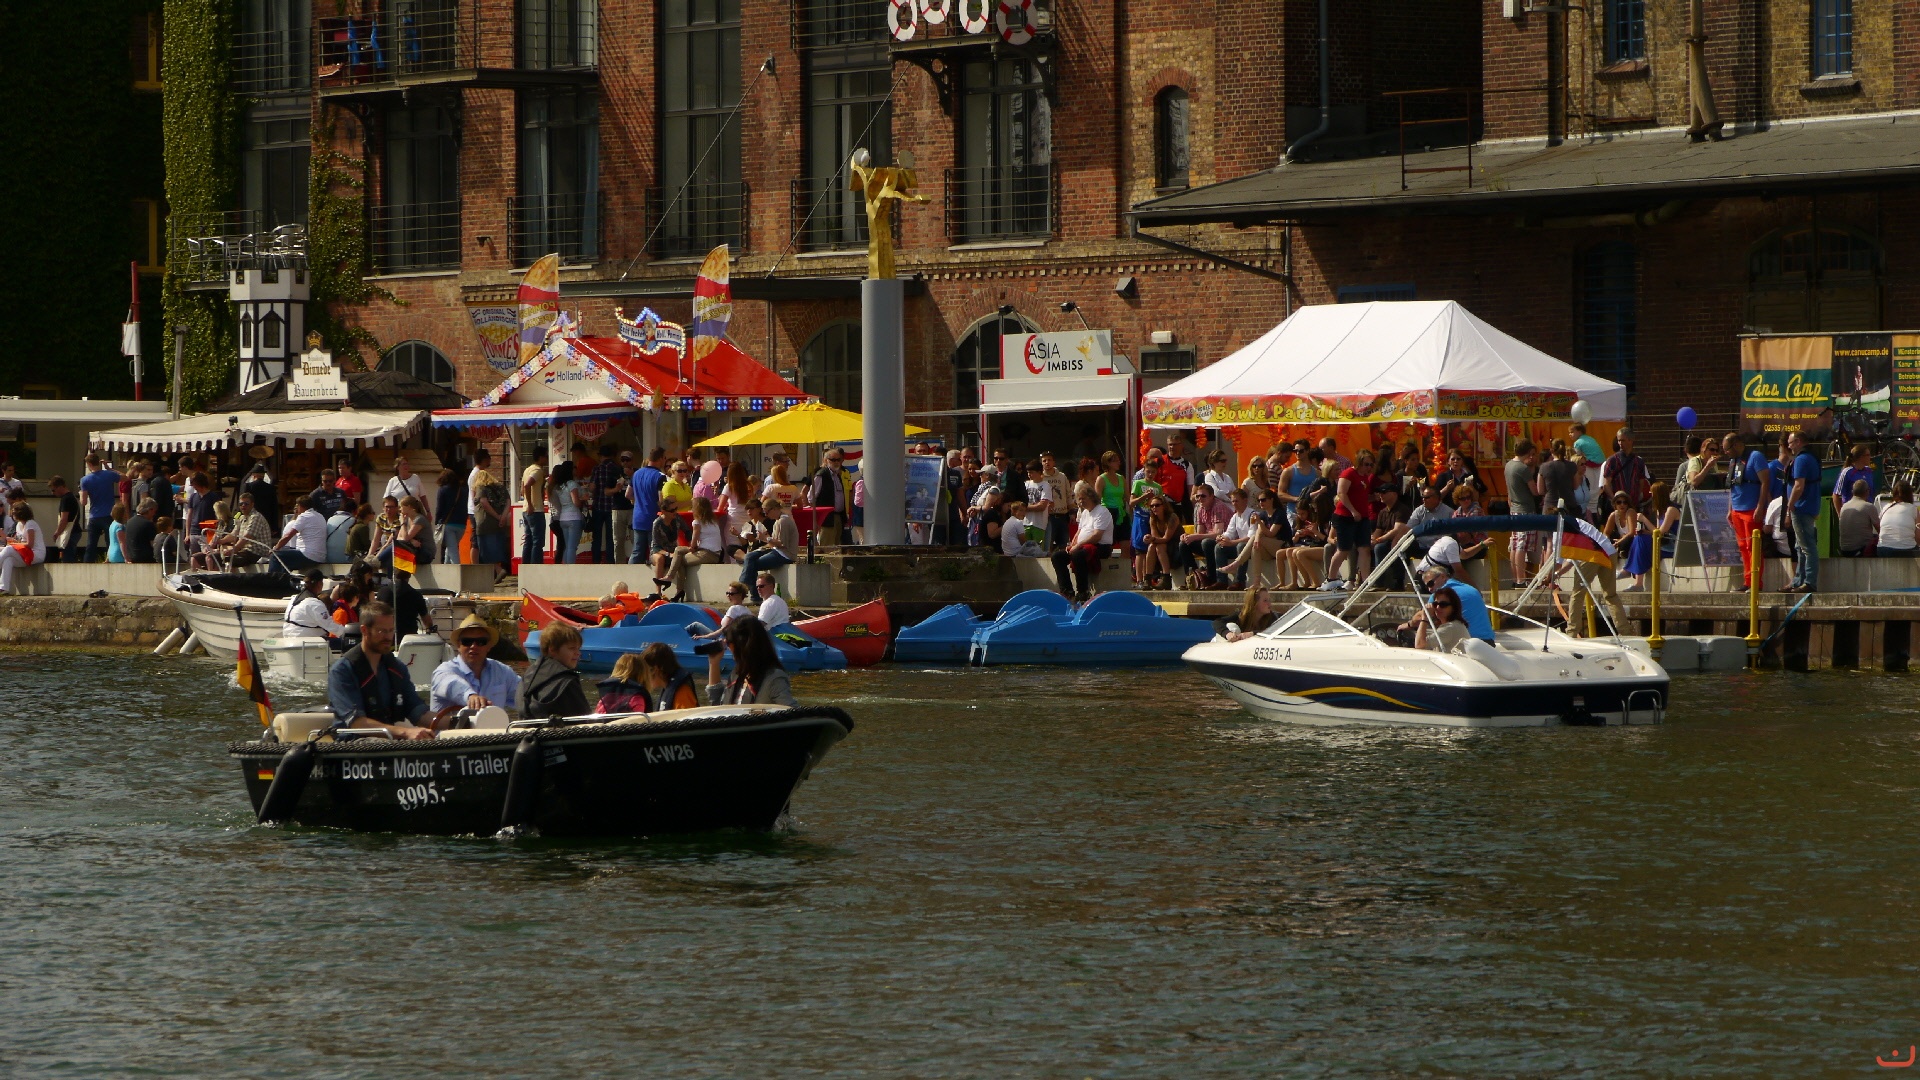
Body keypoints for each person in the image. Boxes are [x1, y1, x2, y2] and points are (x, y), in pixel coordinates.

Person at [326, 601, 433, 739]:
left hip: (388, 742)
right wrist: (405, 732)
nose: (388, 637)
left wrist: (455, 723)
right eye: (382, 631)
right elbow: (357, 723)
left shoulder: (397, 668)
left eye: (391, 630)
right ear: (364, 630)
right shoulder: (341, 671)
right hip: (352, 744)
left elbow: (417, 710)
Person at [430, 613, 523, 714]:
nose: (473, 646)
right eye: (467, 641)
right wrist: (470, 696)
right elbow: (451, 684)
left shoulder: (503, 672)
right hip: (452, 725)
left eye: (481, 642)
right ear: (458, 645)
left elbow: (523, 695)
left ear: (489, 646)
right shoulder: (444, 671)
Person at [1050, 483, 1114, 602]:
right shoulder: (1084, 513)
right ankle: (1067, 591)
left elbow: (1097, 536)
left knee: (1077, 555)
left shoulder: (1102, 512)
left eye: (1083, 498)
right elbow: (1079, 532)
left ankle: (1083, 591)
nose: (1080, 502)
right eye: (1079, 499)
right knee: (1057, 557)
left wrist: (1078, 546)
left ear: (1091, 497)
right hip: (1082, 546)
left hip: (1100, 547)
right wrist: (1072, 545)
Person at [1325, 448, 1378, 590]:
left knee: (1364, 548)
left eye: (1371, 465)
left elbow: (1361, 497)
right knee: (1344, 549)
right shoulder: (1349, 473)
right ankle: (1330, 578)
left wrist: (1373, 498)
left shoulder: (1365, 478)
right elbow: (1341, 493)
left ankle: (1365, 581)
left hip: (1363, 517)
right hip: (1345, 516)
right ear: (1359, 462)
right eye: (1366, 464)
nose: (1368, 467)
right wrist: (1353, 511)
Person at [1725, 431, 1770, 590]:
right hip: (1737, 509)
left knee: (1753, 546)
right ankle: (1747, 581)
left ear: (1737, 444)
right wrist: (1730, 508)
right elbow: (1732, 485)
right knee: (1743, 547)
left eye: (1728, 449)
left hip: (1751, 509)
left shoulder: (1755, 457)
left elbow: (1765, 482)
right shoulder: (1734, 460)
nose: (1726, 453)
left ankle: (1756, 582)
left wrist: (1760, 506)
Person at [719, 615, 797, 706]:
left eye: (729, 643)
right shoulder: (737, 674)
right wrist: (713, 663)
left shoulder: (774, 679)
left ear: (742, 645)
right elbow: (718, 708)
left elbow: (791, 711)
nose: (728, 648)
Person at [520, 620, 591, 719]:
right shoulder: (567, 681)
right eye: (572, 648)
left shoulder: (528, 676)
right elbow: (585, 718)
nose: (578, 653)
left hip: (526, 727)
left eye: (578, 648)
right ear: (552, 649)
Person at [1417, 563, 1494, 643]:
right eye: (1427, 587)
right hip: (1488, 641)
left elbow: (1422, 615)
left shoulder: (1440, 595)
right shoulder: (1471, 589)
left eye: (1430, 584)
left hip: (1467, 643)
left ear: (1442, 577)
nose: (1429, 589)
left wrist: (1410, 624)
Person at [666, 496, 726, 600]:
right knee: (678, 550)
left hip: (706, 554)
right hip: (716, 554)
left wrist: (692, 548)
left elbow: (693, 544)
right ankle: (675, 586)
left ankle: (675, 584)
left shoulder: (697, 522)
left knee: (679, 559)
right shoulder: (713, 521)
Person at [1785, 430, 1823, 593]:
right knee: (1800, 546)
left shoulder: (1801, 459)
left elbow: (1799, 486)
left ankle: (1809, 582)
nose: (1789, 447)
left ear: (1798, 442)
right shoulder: (1811, 457)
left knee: (1807, 546)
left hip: (1801, 507)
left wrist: (1790, 505)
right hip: (1809, 506)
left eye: (1790, 443)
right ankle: (1798, 581)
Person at [1503, 440, 1542, 586]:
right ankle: (1521, 579)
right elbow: (1535, 491)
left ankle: (1515, 579)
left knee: (1514, 545)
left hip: (1514, 509)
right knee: (1521, 546)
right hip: (1526, 510)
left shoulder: (1508, 465)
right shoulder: (1523, 468)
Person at [1177, 483, 1230, 588]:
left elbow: (1218, 533)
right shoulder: (1199, 508)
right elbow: (1200, 533)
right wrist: (1188, 536)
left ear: (1211, 496)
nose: (1200, 499)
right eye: (1198, 496)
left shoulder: (1218, 506)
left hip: (1224, 541)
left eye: (1203, 496)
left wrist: (1195, 536)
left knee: (1207, 543)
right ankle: (1193, 578)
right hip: (1208, 541)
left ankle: (1211, 579)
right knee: (1183, 544)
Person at [739, 497, 798, 585]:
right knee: (749, 556)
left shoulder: (783, 521)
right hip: (777, 551)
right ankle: (744, 586)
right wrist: (764, 541)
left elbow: (781, 543)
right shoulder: (778, 521)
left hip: (785, 554)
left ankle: (742, 586)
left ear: (774, 509)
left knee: (752, 565)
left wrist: (766, 538)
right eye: (764, 513)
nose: (766, 515)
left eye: (767, 512)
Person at [1396, 586, 1470, 653]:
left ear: (1453, 607)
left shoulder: (1450, 628)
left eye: (1443, 605)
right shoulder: (1456, 624)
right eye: (1435, 604)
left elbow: (1419, 645)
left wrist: (1425, 619)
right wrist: (1409, 625)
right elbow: (1418, 617)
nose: (1438, 607)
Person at [470, 462, 512, 580]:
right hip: (499, 524)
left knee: (485, 550)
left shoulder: (481, 487)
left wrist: (496, 516)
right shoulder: (501, 487)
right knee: (496, 548)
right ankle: (495, 573)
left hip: (485, 523)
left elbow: (483, 502)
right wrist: (503, 517)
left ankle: (497, 571)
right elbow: (508, 502)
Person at [1607, 492, 1656, 590]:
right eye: (1619, 502)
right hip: (1627, 541)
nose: (1622, 505)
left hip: (1633, 541)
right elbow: (1605, 533)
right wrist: (1611, 541)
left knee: (1636, 540)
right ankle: (1632, 578)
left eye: (1625, 502)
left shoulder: (1630, 512)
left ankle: (1629, 572)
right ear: (1615, 504)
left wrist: (1618, 542)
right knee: (1606, 542)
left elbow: (1631, 533)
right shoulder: (1614, 515)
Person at [79, 455, 122, 563]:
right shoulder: (109, 474)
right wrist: (109, 469)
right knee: (110, 542)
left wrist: (80, 493)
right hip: (109, 514)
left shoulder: (85, 480)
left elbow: (83, 502)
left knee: (91, 544)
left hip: (94, 515)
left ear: (89, 464)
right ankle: (111, 562)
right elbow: (125, 477)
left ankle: (87, 565)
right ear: (99, 462)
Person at [268, 495, 328, 572]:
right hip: (320, 557)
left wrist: (275, 548)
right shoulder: (320, 516)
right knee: (285, 563)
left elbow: (288, 535)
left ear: (300, 506)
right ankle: (284, 579)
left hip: (307, 555)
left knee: (275, 556)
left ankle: (270, 578)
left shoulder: (304, 516)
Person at [213, 492, 273, 567]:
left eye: (246, 503)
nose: (243, 506)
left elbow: (246, 537)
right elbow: (234, 534)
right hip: (245, 551)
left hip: (257, 553)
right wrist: (220, 541)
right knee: (212, 557)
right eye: (241, 504)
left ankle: (228, 573)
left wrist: (234, 549)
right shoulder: (242, 518)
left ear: (252, 504)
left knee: (227, 559)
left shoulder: (256, 517)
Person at [1211, 489, 1255, 590]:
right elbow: (1229, 533)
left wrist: (1231, 542)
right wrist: (1222, 538)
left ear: (1245, 500)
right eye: (1233, 501)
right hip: (1239, 545)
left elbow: (1251, 537)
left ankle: (1240, 581)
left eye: (1237, 501)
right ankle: (1221, 581)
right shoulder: (1235, 516)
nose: (1234, 504)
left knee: (1241, 546)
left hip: (1251, 547)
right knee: (1219, 547)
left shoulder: (1253, 515)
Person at [646, 493, 689, 597]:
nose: (675, 512)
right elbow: (656, 547)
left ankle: (679, 591)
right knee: (660, 558)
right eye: (672, 510)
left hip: (673, 551)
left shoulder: (677, 518)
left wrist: (692, 543)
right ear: (664, 511)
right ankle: (658, 591)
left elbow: (687, 531)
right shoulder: (657, 523)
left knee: (680, 558)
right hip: (658, 552)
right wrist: (668, 554)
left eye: (676, 509)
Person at [1601, 430, 1652, 514]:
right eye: (1619, 440)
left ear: (1631, 440)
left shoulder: (1638, 461)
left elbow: (1641, 483)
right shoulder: (1612, 460)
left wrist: (1635, 499)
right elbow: (1606, 484)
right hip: (1617, 506)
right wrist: (1615, 500)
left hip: (1633, 505)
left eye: (1623, 440)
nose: (1620, 443)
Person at [281, 568, 341, 641]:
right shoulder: (314, 604)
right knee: (345, 643)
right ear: (319, 584)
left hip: (290, 638)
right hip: (306, 641)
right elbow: (331, 626)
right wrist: (347, 633)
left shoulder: (294, 599)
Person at [808, 449, 851, 547]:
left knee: (837, 546)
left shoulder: (837, 475)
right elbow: (811, 497)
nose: (836, 462)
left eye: (838, 460)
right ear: (826, 460)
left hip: (839, 516)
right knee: (827, 546)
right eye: (833, 460)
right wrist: (817, 517)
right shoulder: (822, 475)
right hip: (826, 518)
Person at [0, 501, 45, 594]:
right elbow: (19, 542)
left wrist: (14, 545)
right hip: (25, 553)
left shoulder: (30, 524)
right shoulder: (19, 525)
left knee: (8, 549)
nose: (12, 514)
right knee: (8, 560)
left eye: (13, 512)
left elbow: (30, 544)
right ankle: (3, 587)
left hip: (36, 553)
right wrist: (6, 538)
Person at [547, 459, 585, 563]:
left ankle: (565, 568)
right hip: (573, 517)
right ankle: (570, 569)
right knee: (572, 547)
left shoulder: (560, 486)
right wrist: (583, 499)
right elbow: (576, 502)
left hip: (563, 518)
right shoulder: (572, 484)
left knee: (567, 547)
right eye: (574, 468)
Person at [1138, 495, 1180, 590]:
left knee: (1159, 546)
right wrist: (1148, 538)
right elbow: (1155, 538)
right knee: (1152, 546)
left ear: (1164, 506)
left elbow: (1166, 538)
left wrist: (1152, 539)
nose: (1154, 508)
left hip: (1177, 546)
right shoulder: (1153, 518)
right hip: (1162, 546)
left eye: (1157, 505)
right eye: (1151, 506)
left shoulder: (1172, 517)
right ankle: (1147, 579)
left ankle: (1166, 578)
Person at [521, 449, 550, 567]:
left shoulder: (527, 469)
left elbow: (522, 489)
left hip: (526, 509)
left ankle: (525, 567)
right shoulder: (537, 470)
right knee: (537, 541)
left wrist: (527, 502)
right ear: (541, 457)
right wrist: (531, 504)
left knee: (528, 540)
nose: (547, 459)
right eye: (546, 457)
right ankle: (535, 568)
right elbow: (527, 485)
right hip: (535, 509)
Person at [1832, 445, 1876, 520]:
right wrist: (1840, 516)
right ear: (1861, 457)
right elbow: (1836, 494)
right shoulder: (1847, 472)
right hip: (1851, 512)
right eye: (1868, 455)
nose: (1870, 457)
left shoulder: (1868, 471)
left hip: (1867, 512)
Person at [1538, 439, 1581, 516]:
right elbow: (1576, 486)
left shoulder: (1544, 467)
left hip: (1550, 506)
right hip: (1569, 505)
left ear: (1551, 450)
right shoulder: (1572, 466)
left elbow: (1540, 491)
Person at [1838, 479, 1879, 557]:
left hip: (1844, 550)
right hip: (1861, 550)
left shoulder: (1844, 507)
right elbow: (1880, 530)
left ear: (1852, 492)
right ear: (1867, 491)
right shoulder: (1868, 506)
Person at [435, 465, 468, 564]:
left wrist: (437, 521)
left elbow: (439, 508)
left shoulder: (442, 490)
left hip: (448, 523)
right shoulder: (463, 490)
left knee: (452, 550)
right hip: (462, 524)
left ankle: (457, 571)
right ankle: (446, 568)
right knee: (450, 549)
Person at [1879, 481, 1919, 556]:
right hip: (1906, 549)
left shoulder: (1886, 507)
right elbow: (1918, 535)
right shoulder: (1913, 509)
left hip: (1882, 549)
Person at [122, 498, 158, 563]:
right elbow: (154, 544)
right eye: (154, 511)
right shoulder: (148, 524)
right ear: (150, 510)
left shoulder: (129, 522)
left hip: (132, 557)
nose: (154, 514)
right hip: (146, 559)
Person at [243, 464, 279, 530]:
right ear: (263, 475)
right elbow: (274, 507)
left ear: (254, 475)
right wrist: (274, 527)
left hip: (252, 518)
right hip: (267, 519)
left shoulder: (248, 487)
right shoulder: (270, 488)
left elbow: (243, 503)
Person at [325, 497, 355, 563]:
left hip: (329, 558)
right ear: (353, 510)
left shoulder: (330, 519)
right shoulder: (353, 521)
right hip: (346, 559)